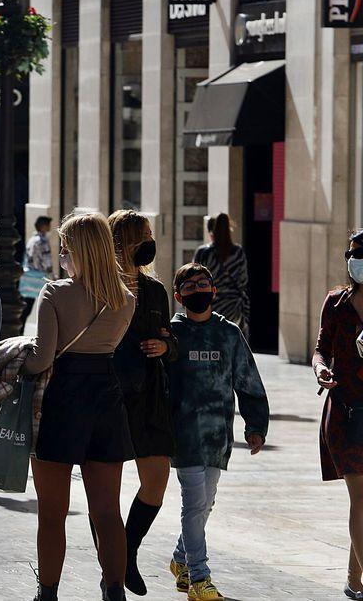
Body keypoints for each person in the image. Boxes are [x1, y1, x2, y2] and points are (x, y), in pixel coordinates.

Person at [21, 212, 136, 601]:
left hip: (62, 400)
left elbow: (41, 359)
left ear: (81, 251)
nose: (62, 256)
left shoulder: (55, 293)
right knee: (107, 511)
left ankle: (48, 592)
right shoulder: (126, 300)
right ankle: (113, 589)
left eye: (66, 249)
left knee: (52, 512)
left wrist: (16, 360)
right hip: (106, 398)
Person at [167, 263, 268, 601]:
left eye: (203, 283)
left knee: (206, 503)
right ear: (179, 296)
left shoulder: (228, 333)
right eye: (189, 286)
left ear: (214, 291)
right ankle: (199, 577)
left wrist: (255, 426)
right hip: (184, 436)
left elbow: (248, 381)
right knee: (194, 504)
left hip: (218, 437)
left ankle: (181, 558)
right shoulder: (171, 335)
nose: (198, 290)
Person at [108, 210, 177, 597]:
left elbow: (170, 337)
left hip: (149, 395)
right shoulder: (101, 286)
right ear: (126, 240)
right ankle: (113, 572)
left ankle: (128, 549)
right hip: (111, 395)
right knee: (107, 492)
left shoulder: (154, 290)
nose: (151, 240)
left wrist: (165, 345)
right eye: (145, 234)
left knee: (156, 479)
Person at [313, 230, 363, 600]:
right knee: (359, 496)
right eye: (353, 254)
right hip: (345, 413)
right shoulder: (336, 303)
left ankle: (353, 579)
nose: (356, 261)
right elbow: (319, 350)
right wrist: (320, 370)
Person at [193, 214, 250, 339]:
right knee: (232, 339)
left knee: (212, 340)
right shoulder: (237, 252)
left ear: (212, 231)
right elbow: (243, 280)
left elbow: (192, 277)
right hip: (234, 305)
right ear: (229, 230)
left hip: (210, 303)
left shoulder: (204, 252)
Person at [22, 215, 54, 324]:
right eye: (48, 224)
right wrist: (52, 276)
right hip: (39, 276)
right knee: (45, 302)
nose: (50, 226)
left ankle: (20, 328)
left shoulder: (32, 239)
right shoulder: (42, 241)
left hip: (29, 275)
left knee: (27, 305)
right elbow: (46, 259)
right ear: (43, 226)